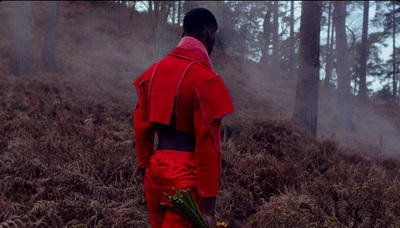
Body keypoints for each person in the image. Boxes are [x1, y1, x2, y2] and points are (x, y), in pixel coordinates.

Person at [133, 8, 234, 228]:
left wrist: (145, 172)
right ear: (210, 34)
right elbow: (209, 146)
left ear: (183, 34)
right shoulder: (206, 80)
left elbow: (141, 129)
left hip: (154, 170)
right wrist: (210, 211)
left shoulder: (153, 71)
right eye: (214, 37)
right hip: (184, 177)